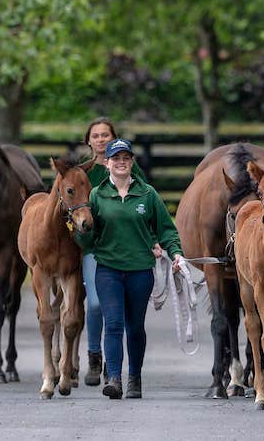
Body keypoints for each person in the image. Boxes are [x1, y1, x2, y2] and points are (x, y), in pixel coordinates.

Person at [74, 138, 183, 400]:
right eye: (116, 158)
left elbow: (165, 229)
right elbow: (87, 241)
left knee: (135, 327)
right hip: (108, 269)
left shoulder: (148, 194)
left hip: (140, 270)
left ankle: (135, 377)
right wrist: (81, 231)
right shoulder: (96, 195)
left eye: (126, 158)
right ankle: (114, 378)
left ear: (132, 162)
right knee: (113, 324)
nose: (121, 162)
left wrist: (175, 252)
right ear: (108, 163)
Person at [80, 117, 147, 386]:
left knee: (118, 310)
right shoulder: (82, 173)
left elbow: (144, 199)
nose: (100, 139)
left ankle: (113, 361)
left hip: (124, 251)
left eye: (105, 135)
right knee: (94, 304)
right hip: (92, 246)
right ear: (88, 141)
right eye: (95, 135)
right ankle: (93, 354)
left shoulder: (128, 169)